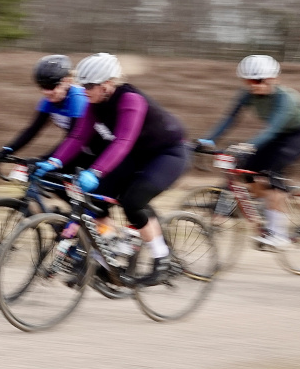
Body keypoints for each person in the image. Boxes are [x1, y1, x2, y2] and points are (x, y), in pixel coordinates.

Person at [35, 53, 188, 286]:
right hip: (137, 155)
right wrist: (53, 162)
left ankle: (162, 258)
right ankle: (107, 259)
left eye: (89, 86)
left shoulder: (131, 100)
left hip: (168, 154)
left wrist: (95, 171)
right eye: (82, 86)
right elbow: (77, 137)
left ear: (106, 85)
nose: (84, 91)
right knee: (94, 201)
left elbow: (123, 142)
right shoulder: (93, 103)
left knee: (133, 201)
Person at [196, 55, 300, 251]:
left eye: (259, 80)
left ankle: (279, 234)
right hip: (276, 136)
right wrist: (209, 140)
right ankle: (266, 206)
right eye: (248, 81)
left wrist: (247, 146)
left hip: (299, 135)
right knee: (243, 172)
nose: (254, 85)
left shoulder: (285, 98)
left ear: (273, 79)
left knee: (272, 176)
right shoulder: (247, 95)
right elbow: (230, 119)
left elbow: (272, 129)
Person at [0, 55, 90, 170]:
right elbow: (33, 130)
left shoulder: (77, 99)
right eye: (42, 86)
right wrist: (6, 151)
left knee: (50, 173)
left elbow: (73, 137)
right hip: (81, 147)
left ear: (67, 81)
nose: (46, 92)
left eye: (51, 86)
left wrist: (46, 159)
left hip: (95, 149)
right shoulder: (49, 101)